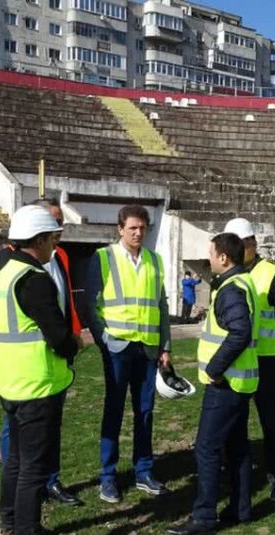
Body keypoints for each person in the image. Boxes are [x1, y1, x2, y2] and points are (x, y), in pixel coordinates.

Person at [0, 205, 80, 535]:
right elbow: (58, 335)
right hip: (37, 385)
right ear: (39, 240)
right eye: (53, 239)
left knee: (15, 463)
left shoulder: (2, 273)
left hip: (10, 383)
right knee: (33, 470)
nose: (55, 246)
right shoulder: (34, 278)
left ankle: (8, 530)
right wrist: (75, 343)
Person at [167, 233, 259, 535]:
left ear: (224, 258)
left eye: (211, 253)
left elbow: (239, 332)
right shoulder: (243, 282)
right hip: (241, 382)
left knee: (206, 448)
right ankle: (241, 508)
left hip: (226, 383)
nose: (208, 258)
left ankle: (204, 516)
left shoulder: (231, 288)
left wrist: (216, 368)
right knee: (236, 447)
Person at [84, 204, 172, 504]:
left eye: (142, 228)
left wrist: (165, 346)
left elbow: (161, 306)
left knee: (145, 412)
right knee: (114, 410)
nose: (138, 233)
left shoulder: (155, 260)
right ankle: (108, 477)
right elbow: (90, 305)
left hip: (147, 348)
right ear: (120, 229)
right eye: (132, 228)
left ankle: (144, 471)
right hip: (117, 347)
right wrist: (103, 338)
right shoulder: (103, 257)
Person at [222, 218, 275, 503]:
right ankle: (237, 476)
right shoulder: (231, 272)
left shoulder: (272, 275)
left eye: (242, 245)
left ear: (252, 244)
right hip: (236, 359)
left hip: (263, 359)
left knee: (269, 419)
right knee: (234, 420)